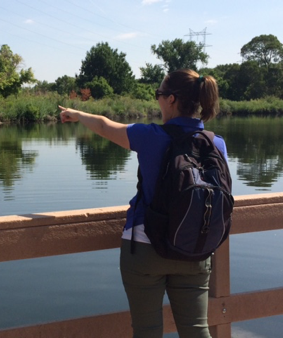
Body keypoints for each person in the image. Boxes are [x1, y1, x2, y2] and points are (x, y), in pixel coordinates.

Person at [59, 68, 228, 338]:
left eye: (159, 94)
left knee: (147, 332)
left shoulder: (150, 136)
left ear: (171, 99)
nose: (157, 100)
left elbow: (103, 125)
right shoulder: (216, 144)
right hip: (196, 248)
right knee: (197, 331)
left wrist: (77, 114)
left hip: (146, 249)